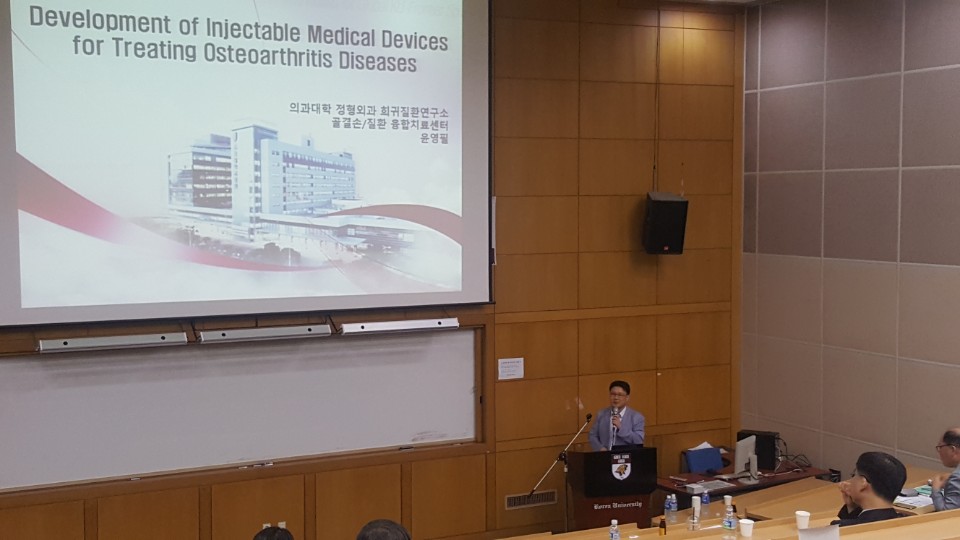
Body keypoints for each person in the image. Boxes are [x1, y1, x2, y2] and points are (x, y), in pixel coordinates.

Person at [830, 451, 906, 527]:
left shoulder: (839, 528)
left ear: (862, 483)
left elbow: (851, 526)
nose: (849, 481)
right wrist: (851, 508)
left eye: (853, 475)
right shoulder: (903, 521)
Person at [588, 380, 645, 451]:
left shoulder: (637, 417)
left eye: (620, 395)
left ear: (627, 397)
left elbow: (638, 440)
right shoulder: (601, 414)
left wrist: (621, 428)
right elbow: (593, 436)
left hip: (626, 456)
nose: (616, 398)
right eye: (613, 394)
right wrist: (600, 448)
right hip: (604, 455)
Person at [932, 428, 960, 511]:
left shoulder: (957, 477)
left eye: (940, 447)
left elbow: (946, 512)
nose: (939, 451)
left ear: (952, 449)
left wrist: (936, 488)